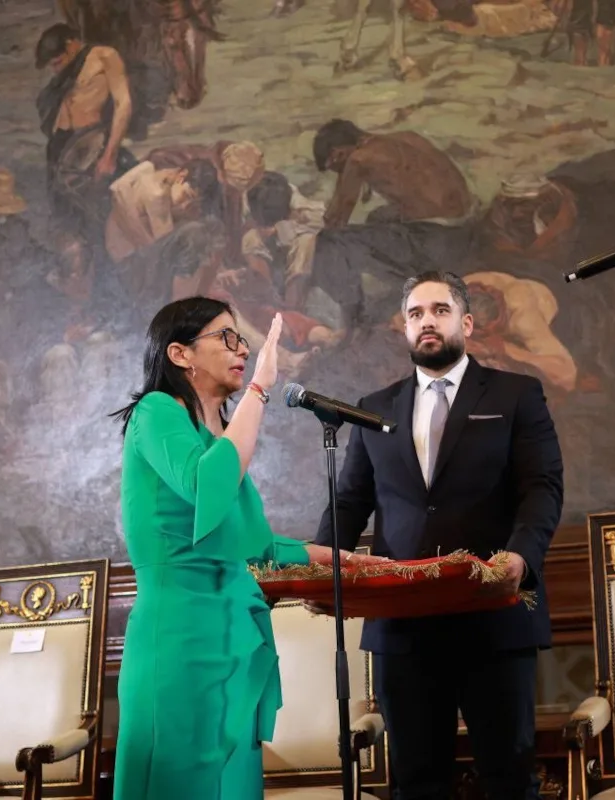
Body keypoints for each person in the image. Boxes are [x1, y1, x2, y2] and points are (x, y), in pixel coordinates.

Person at [110, 298, 387, 799]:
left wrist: (337, 557)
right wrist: (260, 387)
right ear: (180, 354)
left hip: (230, 634)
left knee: (231, 783)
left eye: (243, 340)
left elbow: (249, 546)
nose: (242, 350)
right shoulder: (155, 412)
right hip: (178, 636)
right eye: (227, 338)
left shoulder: (213, 432)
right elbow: (205, 486)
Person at [315, 271, 565, 800]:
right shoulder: (373, 408)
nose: (426, 321)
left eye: (440, 310)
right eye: (415, 313)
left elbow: (541, 487)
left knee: (509, 777)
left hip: (494, 616)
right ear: (404, 329)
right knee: (416, 781)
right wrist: (324, 574)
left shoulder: (516, 394)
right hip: (404, 628)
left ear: (466, 323)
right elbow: (350, 502)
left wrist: (521, 557)